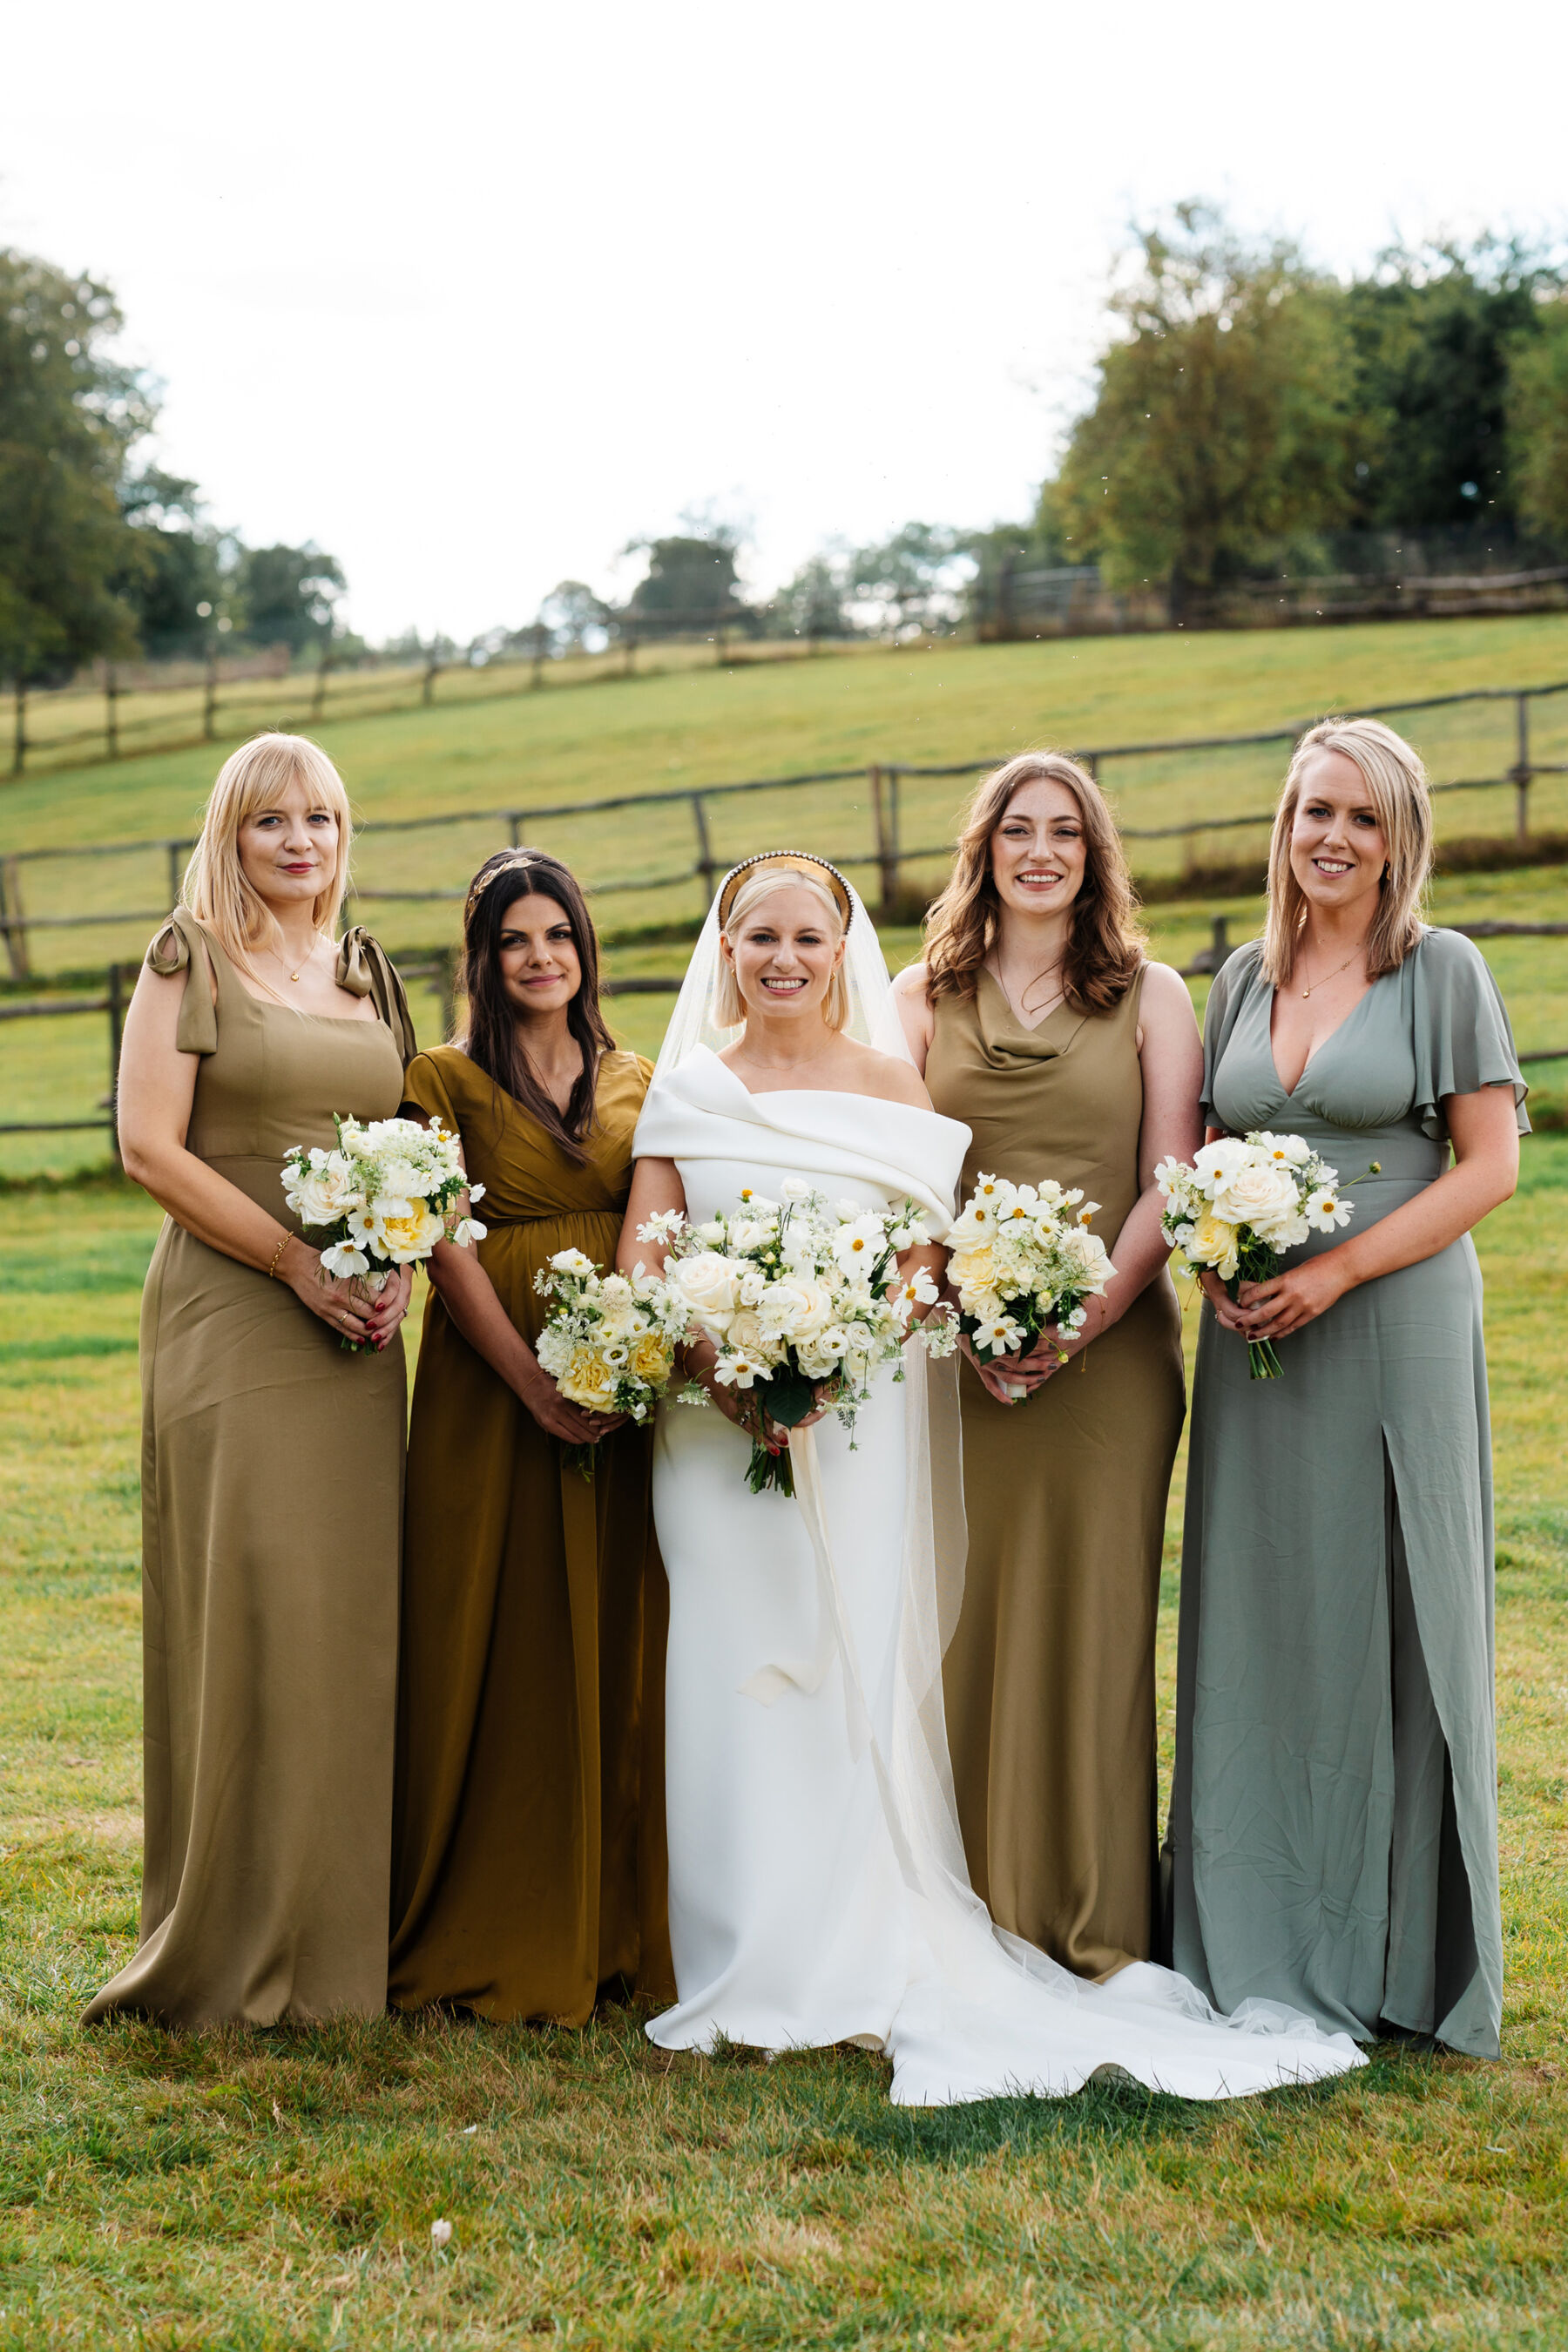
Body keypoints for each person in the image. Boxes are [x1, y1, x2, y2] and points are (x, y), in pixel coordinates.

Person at [618, 849, 1363, 2105]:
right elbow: (648, 1252)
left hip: (852, 1429)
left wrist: (827, 1348)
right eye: (760, 940)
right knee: (728, 1669)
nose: (785, 960)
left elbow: (919, 1259)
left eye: (808, 938)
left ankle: (847, 1944)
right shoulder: (686, 1090)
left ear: (840, 951)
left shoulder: (890, 1084)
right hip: (708, 1434)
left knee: (845, 1666)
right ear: (726, 951)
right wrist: (728, 1355)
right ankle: (738, 1959)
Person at [1165, 718, 1526, 2058]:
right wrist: (1216, 1254)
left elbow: (1486, 1167)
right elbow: (1208, 1143)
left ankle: (1402, 1952)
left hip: (1397, 1324)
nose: (1333, 836)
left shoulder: (1443, 971)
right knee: (1264, 1605)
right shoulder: (1245, 977)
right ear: (1286, 822)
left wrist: (1339, 1274)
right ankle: (1252, 1926)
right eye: (1316, 809)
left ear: (1399, 839)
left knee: (1398, 1602)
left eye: (1363, 818)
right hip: (1258, 1333)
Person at [84, 733, 417, 2029]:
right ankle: (230, 1944)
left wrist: (389, 1266)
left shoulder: (365, 970)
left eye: (323, 819)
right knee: (256, 1604)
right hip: (235, 1313)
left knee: (347, 1619)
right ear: (230, 832)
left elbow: (394, 1143)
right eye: (273, 819)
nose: (301, 841)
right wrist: (292, 1260)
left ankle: (341, 1951)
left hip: (355, 1337)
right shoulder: (189, 959)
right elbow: (148, 1149)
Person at [893, 753, 1202, 1981]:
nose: (1039, 852)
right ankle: (961, 1905)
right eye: (1016, 830)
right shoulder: (921, 998)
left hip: (1111, 1365)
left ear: (1093, 854)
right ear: (983, 849)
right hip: (956, 1362)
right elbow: (905, 1183)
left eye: (1064, 833)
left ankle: (1094, 1913)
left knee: (1095, 1620)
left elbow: (1170, 1177)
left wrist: (1083, 1318)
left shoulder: (1154, 994)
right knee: (957, 1619)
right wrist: (970, 1318)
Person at [389, 849, 672, 2024]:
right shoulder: (442, 1078)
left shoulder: (639, 1075)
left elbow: (662, 1213)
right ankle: (487, 1915)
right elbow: (438, 1243)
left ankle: (609, 1928)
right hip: (487, 1392)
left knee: (615, 1638)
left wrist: (612, 1364)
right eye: (515, 939)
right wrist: (529, 1378)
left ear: (585, 948)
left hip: (616, 1399)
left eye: (557, 934)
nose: (540, 956)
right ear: (485, 958)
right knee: (489, 1632)